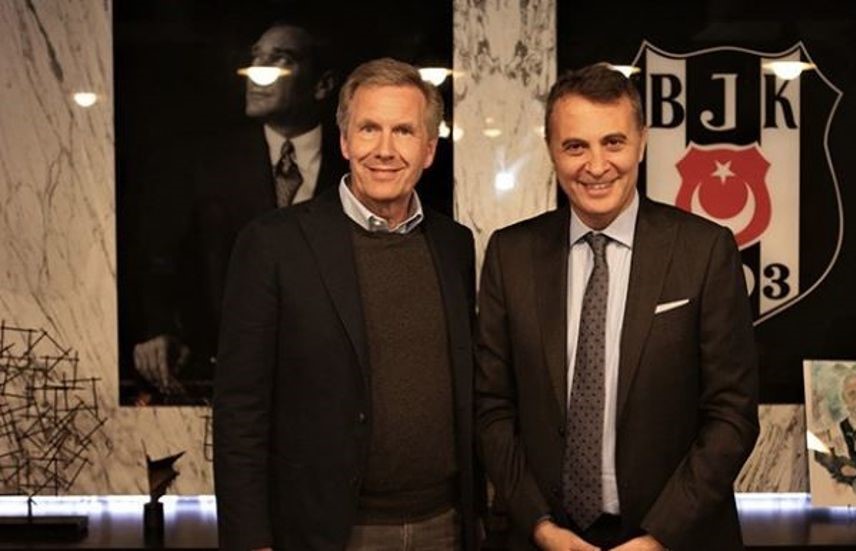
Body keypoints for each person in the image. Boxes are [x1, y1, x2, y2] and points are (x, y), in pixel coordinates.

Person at [476, 64, 759, 550]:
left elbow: (732, 414)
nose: (596, 165)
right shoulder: (510, 254)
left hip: (674, 538)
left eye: (613, 142)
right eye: (575, 146)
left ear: (641, 142)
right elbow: (492, 408)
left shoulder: (705, 250)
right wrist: (541, 527)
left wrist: (658, 537)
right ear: (551, 150)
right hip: (542, 538)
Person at [213, 58, 481, 551]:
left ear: (428, 149)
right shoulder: (273, 244)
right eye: (369, 129)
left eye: (403, 131)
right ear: (344, 141)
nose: (384, 150)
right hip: (327, 529)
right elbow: (239, 409)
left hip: (444, 524)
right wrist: (250, 539)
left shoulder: (454, 245)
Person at [131, 21, 341, 403]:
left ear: (322, 85)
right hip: (226, 380)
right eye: (255, 58)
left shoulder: (358, 165)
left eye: (280, 60)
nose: (257, 73)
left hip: (332, 382)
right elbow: (162, 261)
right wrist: (159, 329)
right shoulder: (205, 165)